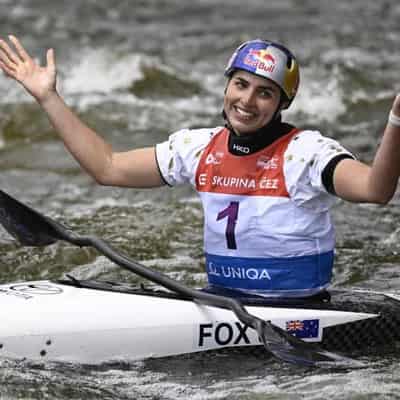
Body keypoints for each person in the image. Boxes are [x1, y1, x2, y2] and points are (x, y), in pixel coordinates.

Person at [1, 36, 400, 299]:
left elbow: (374, 190)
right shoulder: (197, 147)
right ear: (226, 87)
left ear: (282, 105)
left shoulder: (306, 153)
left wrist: (396, 122)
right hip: (222, 303)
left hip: (301, 309)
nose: (247, 100)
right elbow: (107, 168)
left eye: (266, 93)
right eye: (240, 85)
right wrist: (49, 98)